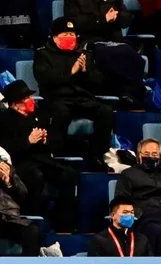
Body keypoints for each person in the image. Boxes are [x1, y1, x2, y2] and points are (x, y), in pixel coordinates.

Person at [0, 80, 79, 233]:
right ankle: (33, 222)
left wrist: (46, 140)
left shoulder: (40, 115)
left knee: (68, 175)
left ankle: (65, 225)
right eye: (25, 99)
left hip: (44, 160)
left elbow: (54, 143)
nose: (30, 101)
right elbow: (4, 148)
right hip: (21, 162)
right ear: (15, 104)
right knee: (34, 177)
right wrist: (28, 141)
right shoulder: (1, 121)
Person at [34, 17, 115, 169]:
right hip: (57, 98)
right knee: (61, 112)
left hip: (82, 98)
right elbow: (45, 78)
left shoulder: (83, 54)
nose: (70, 38)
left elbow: (98, 81)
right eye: (66, 34)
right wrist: (70, 72)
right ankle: (56, 155)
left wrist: (85, 72)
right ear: (55, 38)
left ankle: (97, 156)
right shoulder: (43, 55)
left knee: (106, 112)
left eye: (72, 35)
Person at [64, 0, 146, 108]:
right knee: (108, 54)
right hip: (90, 41)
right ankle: (125, 93)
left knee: (134, 56)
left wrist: (117, 16)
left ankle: (130, 95)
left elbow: (127, 18)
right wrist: (103, 19)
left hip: (116, 41)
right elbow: (74, 22)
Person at [88, 196, 152, 256]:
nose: (129, 216)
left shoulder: (142, 240)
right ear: (113, 215)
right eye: (125, 212)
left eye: (132, 212)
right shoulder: (99, 240)